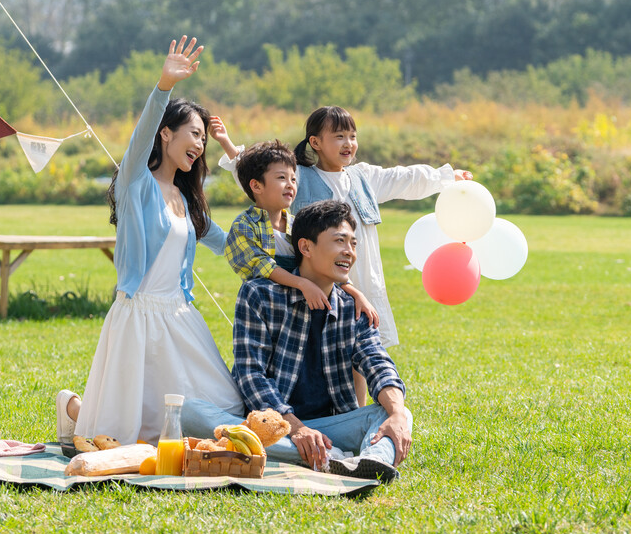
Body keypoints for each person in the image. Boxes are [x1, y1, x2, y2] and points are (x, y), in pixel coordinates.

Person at [56, 36, 244, 447]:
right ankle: (71, 406)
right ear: (165, 135)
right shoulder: (136, 185)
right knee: (122, 435)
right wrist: (164, 87)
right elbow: (138, 139)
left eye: (203, 139)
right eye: (192, 134)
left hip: (180, 318)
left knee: (227, 410)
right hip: (138, 319)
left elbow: (235, 248)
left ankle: (77, 407)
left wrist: (290, 260)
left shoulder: (188, 201)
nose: (198, 144)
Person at [182, 200, 412, 483]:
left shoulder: (354, 307)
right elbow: (250, 373)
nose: (349, 252)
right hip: (275, 427)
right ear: (305, 247)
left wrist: (397, 414)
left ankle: (371, 463)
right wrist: (296, 428)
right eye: (339, 241)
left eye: (353, 244)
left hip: (331, 424)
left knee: (395, 411)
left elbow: (378, 363)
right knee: (190, 413)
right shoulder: (260, 294)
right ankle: (335, 458)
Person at [291, 106, 472, 358]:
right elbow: (263, 177)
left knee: (365, 345)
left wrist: (446, 177)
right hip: (320, 282)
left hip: (364, 275)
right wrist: (232, 152)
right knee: (323, 345)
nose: (348, 143)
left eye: (352, 136)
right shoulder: (299, 177)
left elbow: (404, 178)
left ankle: (364, 396)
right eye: (339, 136)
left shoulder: (363, 176)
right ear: (315, 142)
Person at [223, 140, 379, 324]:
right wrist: (302, 284)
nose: (290, 185)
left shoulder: (296, 224)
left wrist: (355, 293)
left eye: (293, 179)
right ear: (256, 186)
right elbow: (262, 266)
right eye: (282, 178)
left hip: (304, 305)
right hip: (266, 308)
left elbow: (323, 262)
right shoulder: (244, 226)